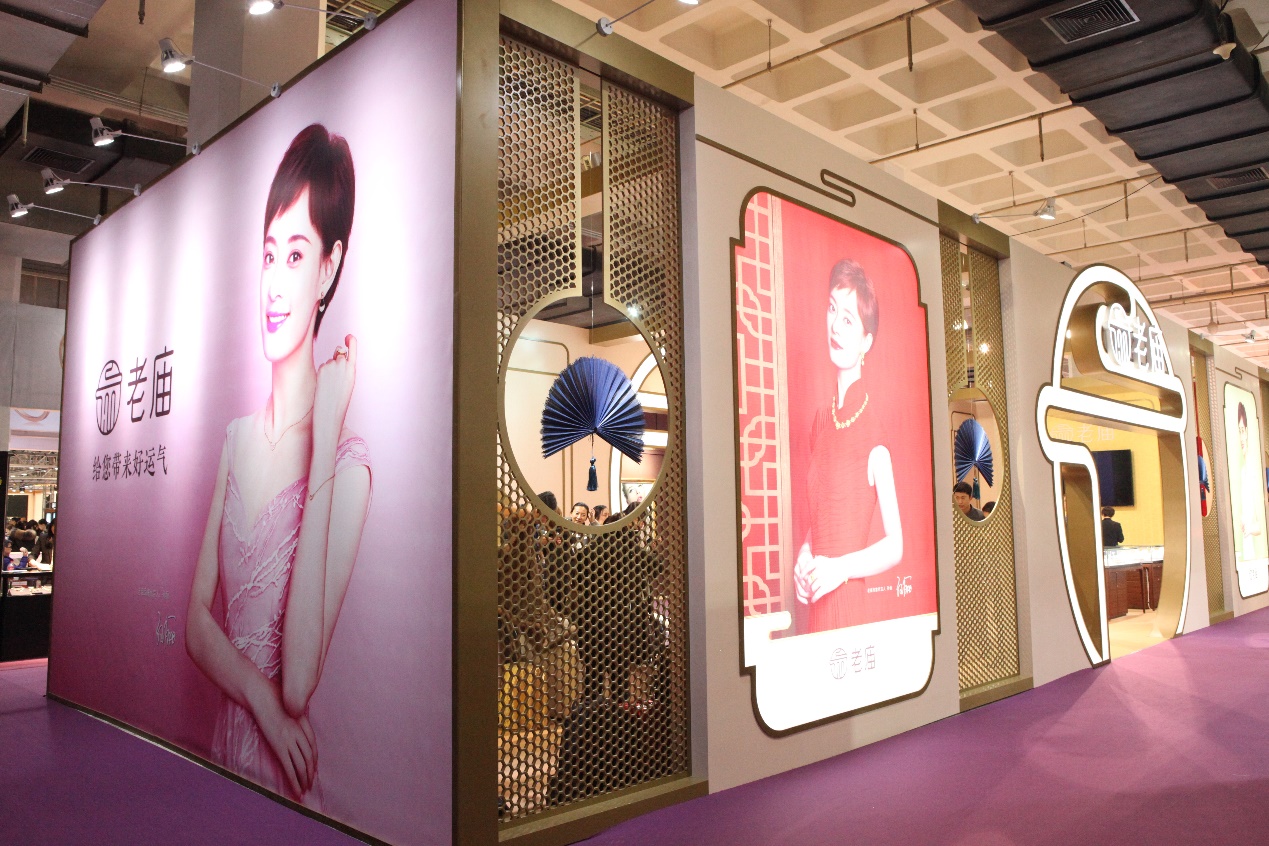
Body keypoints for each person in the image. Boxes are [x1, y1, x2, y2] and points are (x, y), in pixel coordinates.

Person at [186, 125, 371, 805]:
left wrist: (324, 436)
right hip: (224, 751)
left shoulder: (348, 467)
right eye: (269, 254)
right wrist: (258, 702)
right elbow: (195, 623)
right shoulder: (236, 437)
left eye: (296, 255)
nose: (273, 281)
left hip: (284, 782)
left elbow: (297, 683)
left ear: (328, 268)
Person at [792, 259, 904, 633]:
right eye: (832, 309)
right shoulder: (821, 422)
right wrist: (804, 555)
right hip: (816, 604)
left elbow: (896, 545)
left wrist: (840, 568)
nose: (836, 327)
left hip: (848, 608)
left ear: (866, 341)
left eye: (849, 319)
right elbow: (821, 515)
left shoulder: (874, 433)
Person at [1235, 402, 1265, 559]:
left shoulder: (1253, 469)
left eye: (1242, 430)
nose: (1241, 437)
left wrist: (1249, 528)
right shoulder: (1242, 469)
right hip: (1245, 545)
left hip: (1253, 548)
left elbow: (1262, 524)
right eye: (1238, 431)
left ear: (1246, 431)